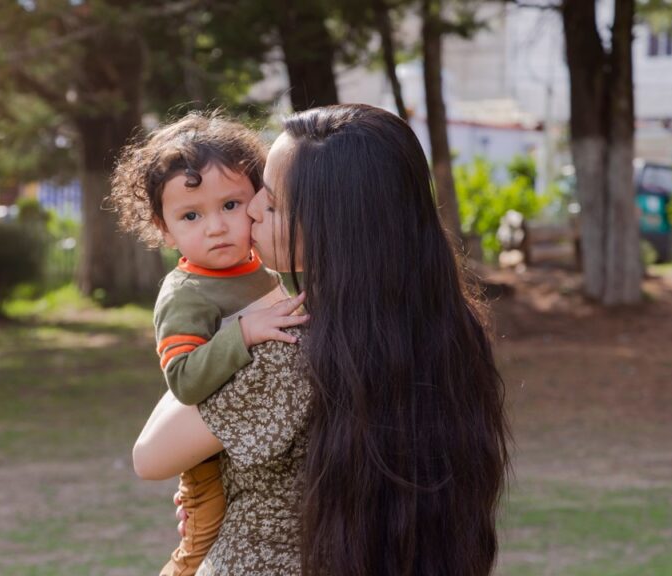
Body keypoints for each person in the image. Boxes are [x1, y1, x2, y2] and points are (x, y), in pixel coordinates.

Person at [133, 104, 510, 575]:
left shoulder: (287, 349)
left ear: (330, 229)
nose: (247, 209)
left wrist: (241, 325)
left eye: (268, 203)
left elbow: (150, 455)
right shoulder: (449, 330)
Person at [109, 112, 309, 575]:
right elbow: (182, 379)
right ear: (164, 229)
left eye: (231, 206)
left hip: (249, 453)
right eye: (192, 216)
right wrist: (242, 333)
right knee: (199, 545)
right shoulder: (186, 294)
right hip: (208, 466)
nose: (216, 227)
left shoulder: (263, 266)